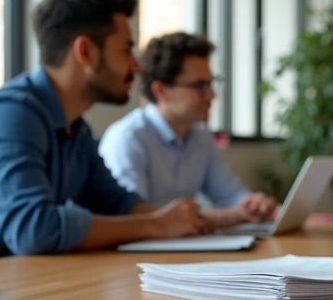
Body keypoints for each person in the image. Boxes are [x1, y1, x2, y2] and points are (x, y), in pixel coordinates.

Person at [0, 0, 208, 272]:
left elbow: (116, 203)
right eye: (126, 49)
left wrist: (175, 220)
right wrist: (155, 225)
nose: (136, 65)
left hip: (5, 289)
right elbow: (34, 230)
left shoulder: (76, 129)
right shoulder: (8, 116)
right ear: (85, 51)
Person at [98, 32, 278, 229]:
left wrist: (254, 205)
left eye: (211, 83)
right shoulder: (128, 139)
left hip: (181, 250)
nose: (211, 95)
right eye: (199, 86)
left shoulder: (200, 136)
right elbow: (137, 217)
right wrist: (232, 216)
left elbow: (228, 194)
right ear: (161, 91)